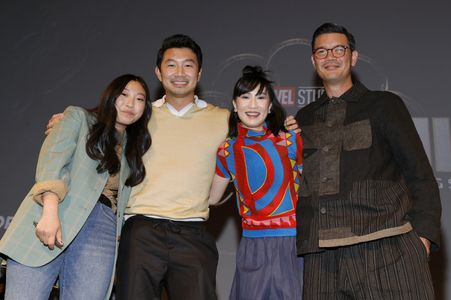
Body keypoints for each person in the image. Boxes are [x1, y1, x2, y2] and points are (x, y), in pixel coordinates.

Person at [46, 34, 299, 300]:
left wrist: (288, 126)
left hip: (193, 233)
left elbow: (259, 134)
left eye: (188, 65)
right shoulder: (138, 115)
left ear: (199, 73)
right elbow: (103, 120)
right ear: (158, 72)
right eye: (171, 65)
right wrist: (72, 119)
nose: (180, 72)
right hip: (141, 230)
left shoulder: (224, 119)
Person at [295, 22, 441, 299]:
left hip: (387, 245)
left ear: (353, 56)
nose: (331, 57)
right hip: (321, 257)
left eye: (339, 49)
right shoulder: (303, 118)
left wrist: (423, 237)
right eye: (322, 51)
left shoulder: (385, 105)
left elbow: (419, 173)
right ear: (313, 61)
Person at [0, 74, 152, 300]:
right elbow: (53, 162)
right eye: (124, 95)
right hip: (57, 211)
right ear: (111, 96)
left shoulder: (135, 150)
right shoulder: (79, 117)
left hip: (103, 228)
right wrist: (50, 211)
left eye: (140, 99)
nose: (131, 104)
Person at [209, 65, 304, 299]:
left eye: (260, 97)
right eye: (246, 97)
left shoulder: (290, 141)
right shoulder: (227, 150)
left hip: (292, 243)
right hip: (253, 245)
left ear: (270, 105)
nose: (253, 105)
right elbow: (211, 198)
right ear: (234, 104)